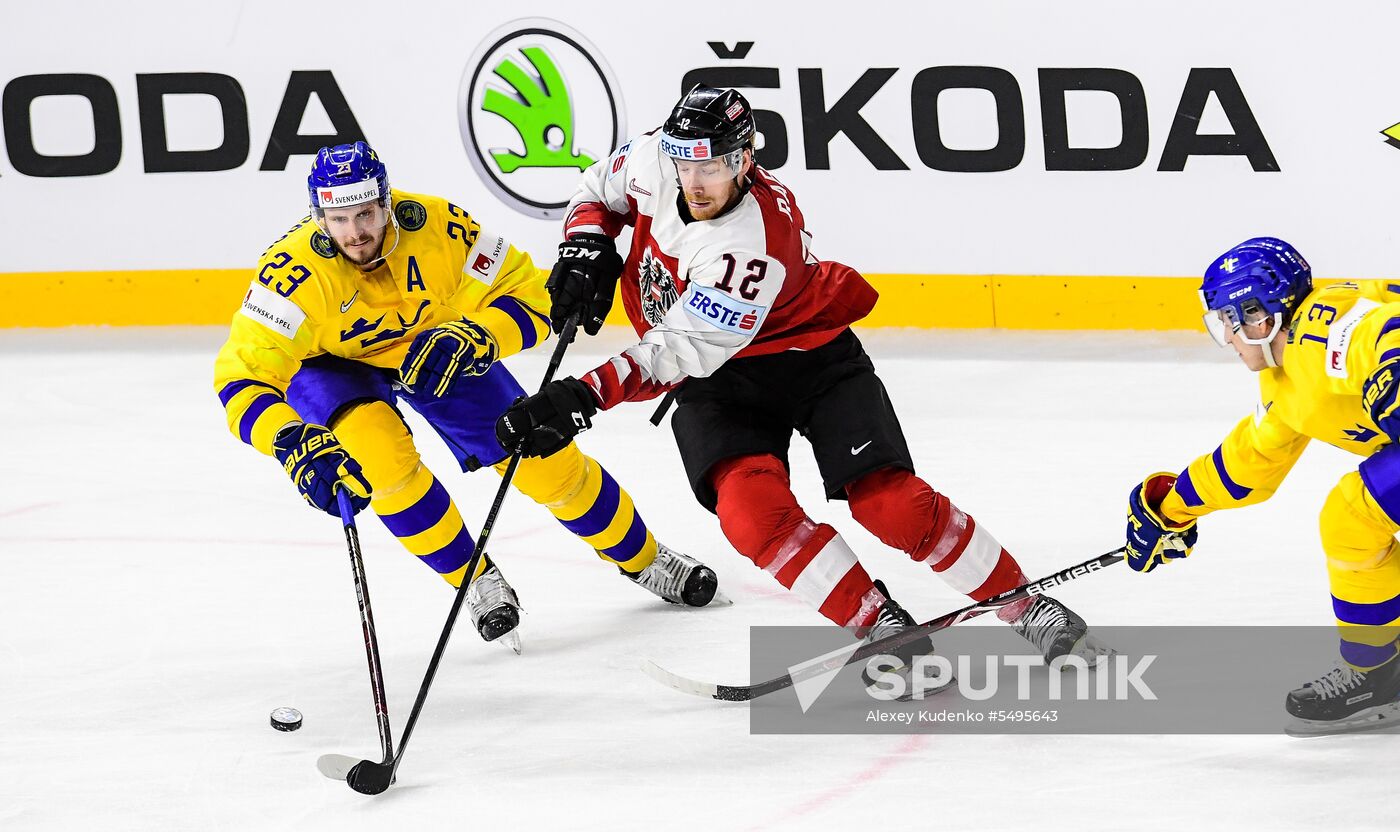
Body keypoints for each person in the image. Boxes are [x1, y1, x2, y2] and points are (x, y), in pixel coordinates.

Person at [496, 85, 1106, 662]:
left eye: (709, 167)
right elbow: (600, 189)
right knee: (750, 514)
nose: (692, 180)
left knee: (891, 506)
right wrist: (586, 247)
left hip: (810, 361)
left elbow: (675, 353)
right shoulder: (662, 155)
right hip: (724, 382)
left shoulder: (751, 243)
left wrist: (580, 394)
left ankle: (1025, 604)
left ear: (744, 160)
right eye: (684, 163)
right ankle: (878, 622)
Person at [213, 141, 721, 654]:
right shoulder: (289, 273)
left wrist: (481, 336)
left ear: (387, 202)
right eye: (339, 218)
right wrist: (287, 437)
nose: (356, 232)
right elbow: (241, 376)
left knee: (542, 457)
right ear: (318, 216)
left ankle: (645, 557)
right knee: (381, 462)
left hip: (435, 347)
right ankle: (473, 579)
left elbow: (533, 295)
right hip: (331, 367)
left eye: (366, 213)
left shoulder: (440, 225)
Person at [1123, 237, 1400, 728]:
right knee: (1351, 520)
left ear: (1261, 314)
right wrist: (1170, 509)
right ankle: (1379, 669)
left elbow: (1381, 330)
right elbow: (1248, 463)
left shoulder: (1324, 328)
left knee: (1353, 513)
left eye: (1230, 321)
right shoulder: (1286, 378)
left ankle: (1379, 670)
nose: (1228, 337)